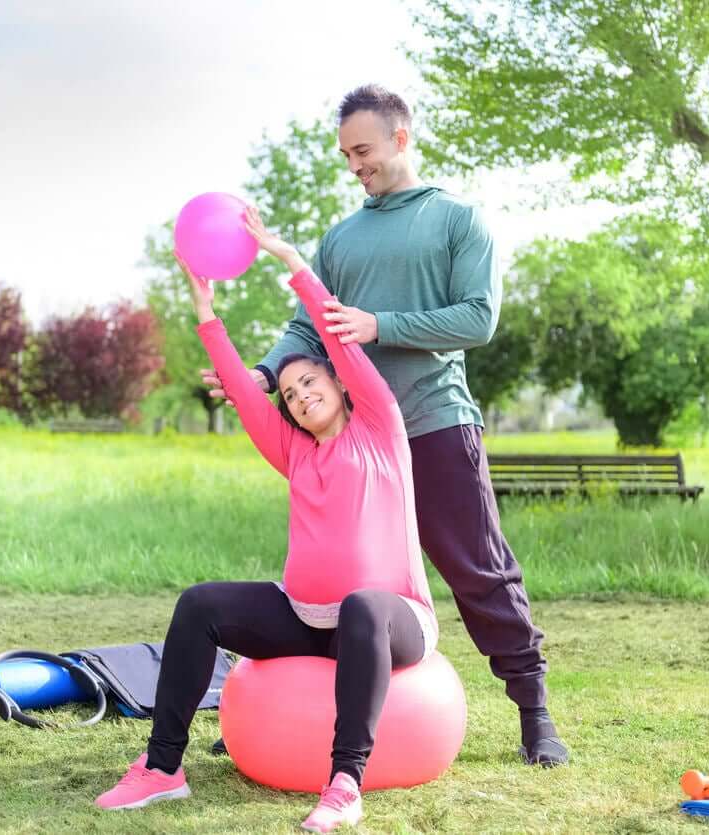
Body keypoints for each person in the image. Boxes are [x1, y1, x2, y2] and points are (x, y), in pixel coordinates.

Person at [203, 84, 569, 767]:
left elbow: (476, 319)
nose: (354, 165)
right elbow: (307, 325)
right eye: (345, 155)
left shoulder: (458, 220)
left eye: (363, 150)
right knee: (329, 580)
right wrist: (259, 373)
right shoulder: (341, 238)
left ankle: (534, 713)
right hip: (351, 445)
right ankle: (283, 715)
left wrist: (381, 326)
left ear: (400, 138)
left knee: (479, 570)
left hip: (433, 422)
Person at [95, 207, 439, 834]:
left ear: (337, 384)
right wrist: (205, 310)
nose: (302, 395)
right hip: (309, 619)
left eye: (311, 381)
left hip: (392, 623)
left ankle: (345, 783)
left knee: (364, 603)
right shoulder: (293, 452)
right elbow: (243, 393)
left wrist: (290, 262)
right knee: (199, 605)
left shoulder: (380, 429)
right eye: (291, 394)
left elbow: (338, 336)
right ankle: (164, 766)